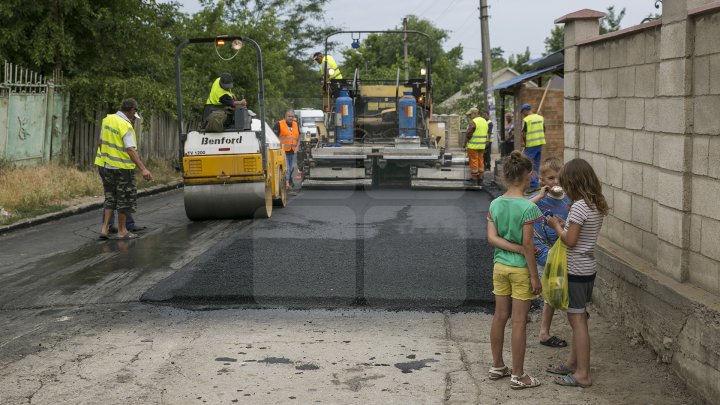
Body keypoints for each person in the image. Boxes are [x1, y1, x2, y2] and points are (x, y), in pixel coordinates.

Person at [545, 158, 608, 389]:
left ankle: (582, 374)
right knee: (579, 316)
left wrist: (556, 226)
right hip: (587, 268)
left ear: (574, 182)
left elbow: (570, 241)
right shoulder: (594, 204)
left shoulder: (580, 206)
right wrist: (565, 222)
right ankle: (573, 364)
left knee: (577, 321)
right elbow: (580, 234)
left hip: (575, 270)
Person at [486, 150, 543, 390]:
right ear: (529, 175)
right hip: (521, 271)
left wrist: (515, 249)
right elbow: (529, 245)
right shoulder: (528, 210)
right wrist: (534, 275)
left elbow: (492, 238)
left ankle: (498, 366)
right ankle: (519, 375)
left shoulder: (495, 203)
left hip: (500, 267)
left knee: (500, 316)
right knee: (519, 322)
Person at [528, 157, 572, 348]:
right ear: (543, 181)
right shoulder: (539, 201)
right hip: (547, 252)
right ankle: (545, 330)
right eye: (551, 178)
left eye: (559, 177)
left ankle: (548, 328)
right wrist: (539, 195)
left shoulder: (570, 199)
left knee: (558, 288)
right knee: (554, 289)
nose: (556, 182)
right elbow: (524, 208)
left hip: (565, 249)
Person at [94, 98, 153, 240]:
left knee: (110, 198)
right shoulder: (125, 125)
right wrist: (143, 169)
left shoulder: (107, 120)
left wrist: (107, 159)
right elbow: (130, 150)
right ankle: (122, 231)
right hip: (122, 168)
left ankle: (104, 229)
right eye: (134, 114)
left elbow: (101, 142)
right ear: (132, 110)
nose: (134, 118)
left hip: (107, 165)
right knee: (124, 199)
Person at [520, 103, 546, 193]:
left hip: (530, 145)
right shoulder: (540, 117)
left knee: (528, 165)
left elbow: (523, 133)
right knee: (536, 165)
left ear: (525, 111)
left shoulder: (526, 119)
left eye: (522, 112)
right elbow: (544, 129)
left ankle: (532, 185)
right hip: (539, 143)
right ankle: (535, 184)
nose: (522, 114)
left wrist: (524, 142)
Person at [273, 110, 299, 190]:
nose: (290, 118)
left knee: (290, 168)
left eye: (292, 116)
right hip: (282, 151)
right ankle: (286, 184)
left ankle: (287, 182)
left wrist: (297, 147)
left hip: (292, 151)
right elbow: (274, 137)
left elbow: (298, 136)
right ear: (285, 116)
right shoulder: (279, 124)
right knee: (286, 168)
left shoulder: (295, 124)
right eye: (289, 116)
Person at [462, 107, 488, 186]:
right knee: (480, 161)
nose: (470, 116)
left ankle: (474, 179)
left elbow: (468, 135)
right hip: (482, 146)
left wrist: (464, 144)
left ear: (474, 113)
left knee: (474, 161)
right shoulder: (484, 121)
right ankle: (480, 178)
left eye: (470, 114)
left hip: (473, 146)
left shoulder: (473, 122)